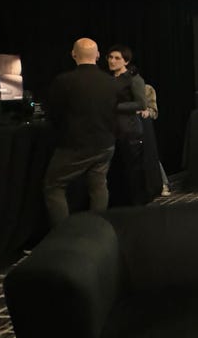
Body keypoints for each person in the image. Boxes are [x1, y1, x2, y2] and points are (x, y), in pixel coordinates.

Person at [42, 38, 119, 226]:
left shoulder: (63, 81)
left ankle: (64, 234)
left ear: (73, 54)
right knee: (98, 185)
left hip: (74, 145)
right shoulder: (111, 82)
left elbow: (53, 115)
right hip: (105, 144)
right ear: (98, 55)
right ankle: (97, 230)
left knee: (54, 186)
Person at [106, 45, 153, 205]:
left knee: (133, 170)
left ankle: (138, 203)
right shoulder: (109, 79)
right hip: (112, 130)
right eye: (110, 57)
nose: (112, 61)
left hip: (129, 130)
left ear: (126, 61)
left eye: (117, 58)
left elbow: (141, 104)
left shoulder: (134, 79)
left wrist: (116, 107)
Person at [144, 82, 171, 197]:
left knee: (150, 155)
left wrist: (145, 112)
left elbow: (153, 112)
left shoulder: (146, 88)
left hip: (139, 127)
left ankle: (162, 183)